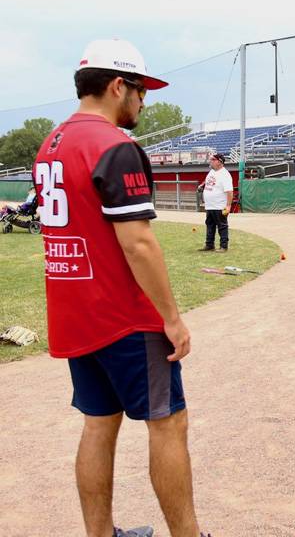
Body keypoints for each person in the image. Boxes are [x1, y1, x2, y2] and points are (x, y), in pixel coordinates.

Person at [32, 38, 209, 537]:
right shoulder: (115, 145)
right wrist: (172, 319)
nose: (143, 102)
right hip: (124, 316)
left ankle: (100, 535)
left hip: (75, 311)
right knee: (168, 424)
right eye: (140, 91)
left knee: (98, 423)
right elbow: (139, 244)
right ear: (116, 86)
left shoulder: (52, 142)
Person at [197, 153, 233, 252]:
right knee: (210, 225)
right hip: (210, 205)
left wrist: (228, 206)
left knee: (222, 226)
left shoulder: (225, 174)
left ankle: (223, 246)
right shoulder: (212, 172)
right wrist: (202, 185)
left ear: (219, 162)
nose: (210, 161)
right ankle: (209, 244)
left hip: (220, 205)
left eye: (213, 159)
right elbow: (208, 181)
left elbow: (229, 191)